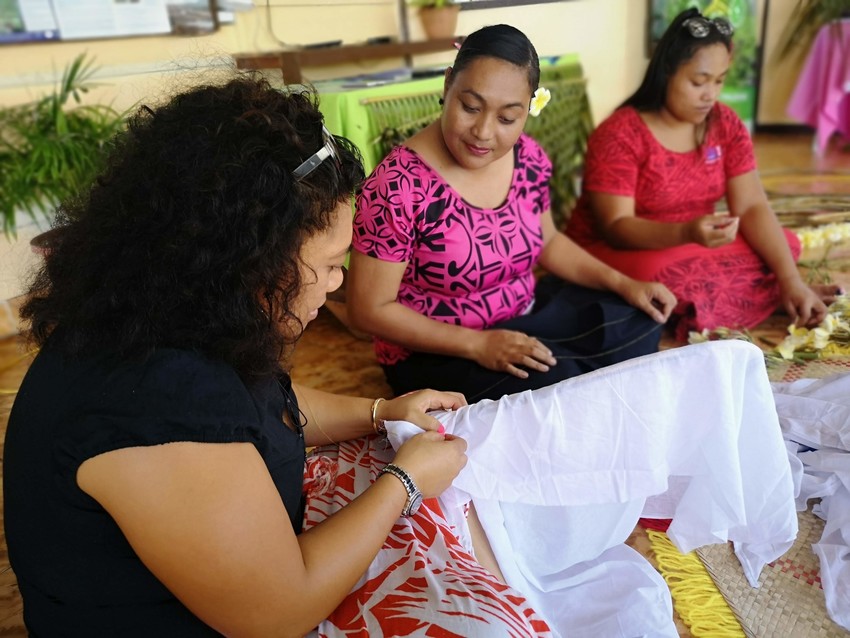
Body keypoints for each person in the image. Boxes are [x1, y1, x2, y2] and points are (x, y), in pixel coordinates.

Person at [3, 75, 551, 636]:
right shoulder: (156, 403)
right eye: (333, 261)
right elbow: (280, 613)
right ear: (251, 261)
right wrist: (403, 484)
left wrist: (378, 412)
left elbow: (266, 408)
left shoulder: (166, 312)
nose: (339, 283)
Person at [347, 24, 678, 403]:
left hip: (524, 317)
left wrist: (625, 284)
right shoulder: (398, 186)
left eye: (507, 118)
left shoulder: (528, 158)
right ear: (447, 84)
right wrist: (478, 345)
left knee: (636, 319)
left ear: (528, 109)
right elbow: (367, 310)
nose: (484, 132)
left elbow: (548, 242)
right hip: (439, 351)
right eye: (470, 107)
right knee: (562, 386)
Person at [565, 7, 836, 341]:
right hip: (621, 248)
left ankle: (781, 292)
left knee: (785, 247)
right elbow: (616, 229)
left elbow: (751, 205)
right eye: (698, 82)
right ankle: (763, 296)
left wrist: (790, 278)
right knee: (670, 277)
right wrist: (686, 233)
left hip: (692, 242)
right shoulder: (620, 134)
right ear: (666, 72)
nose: (711, 94)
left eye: (719, 81)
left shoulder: (724, 124)